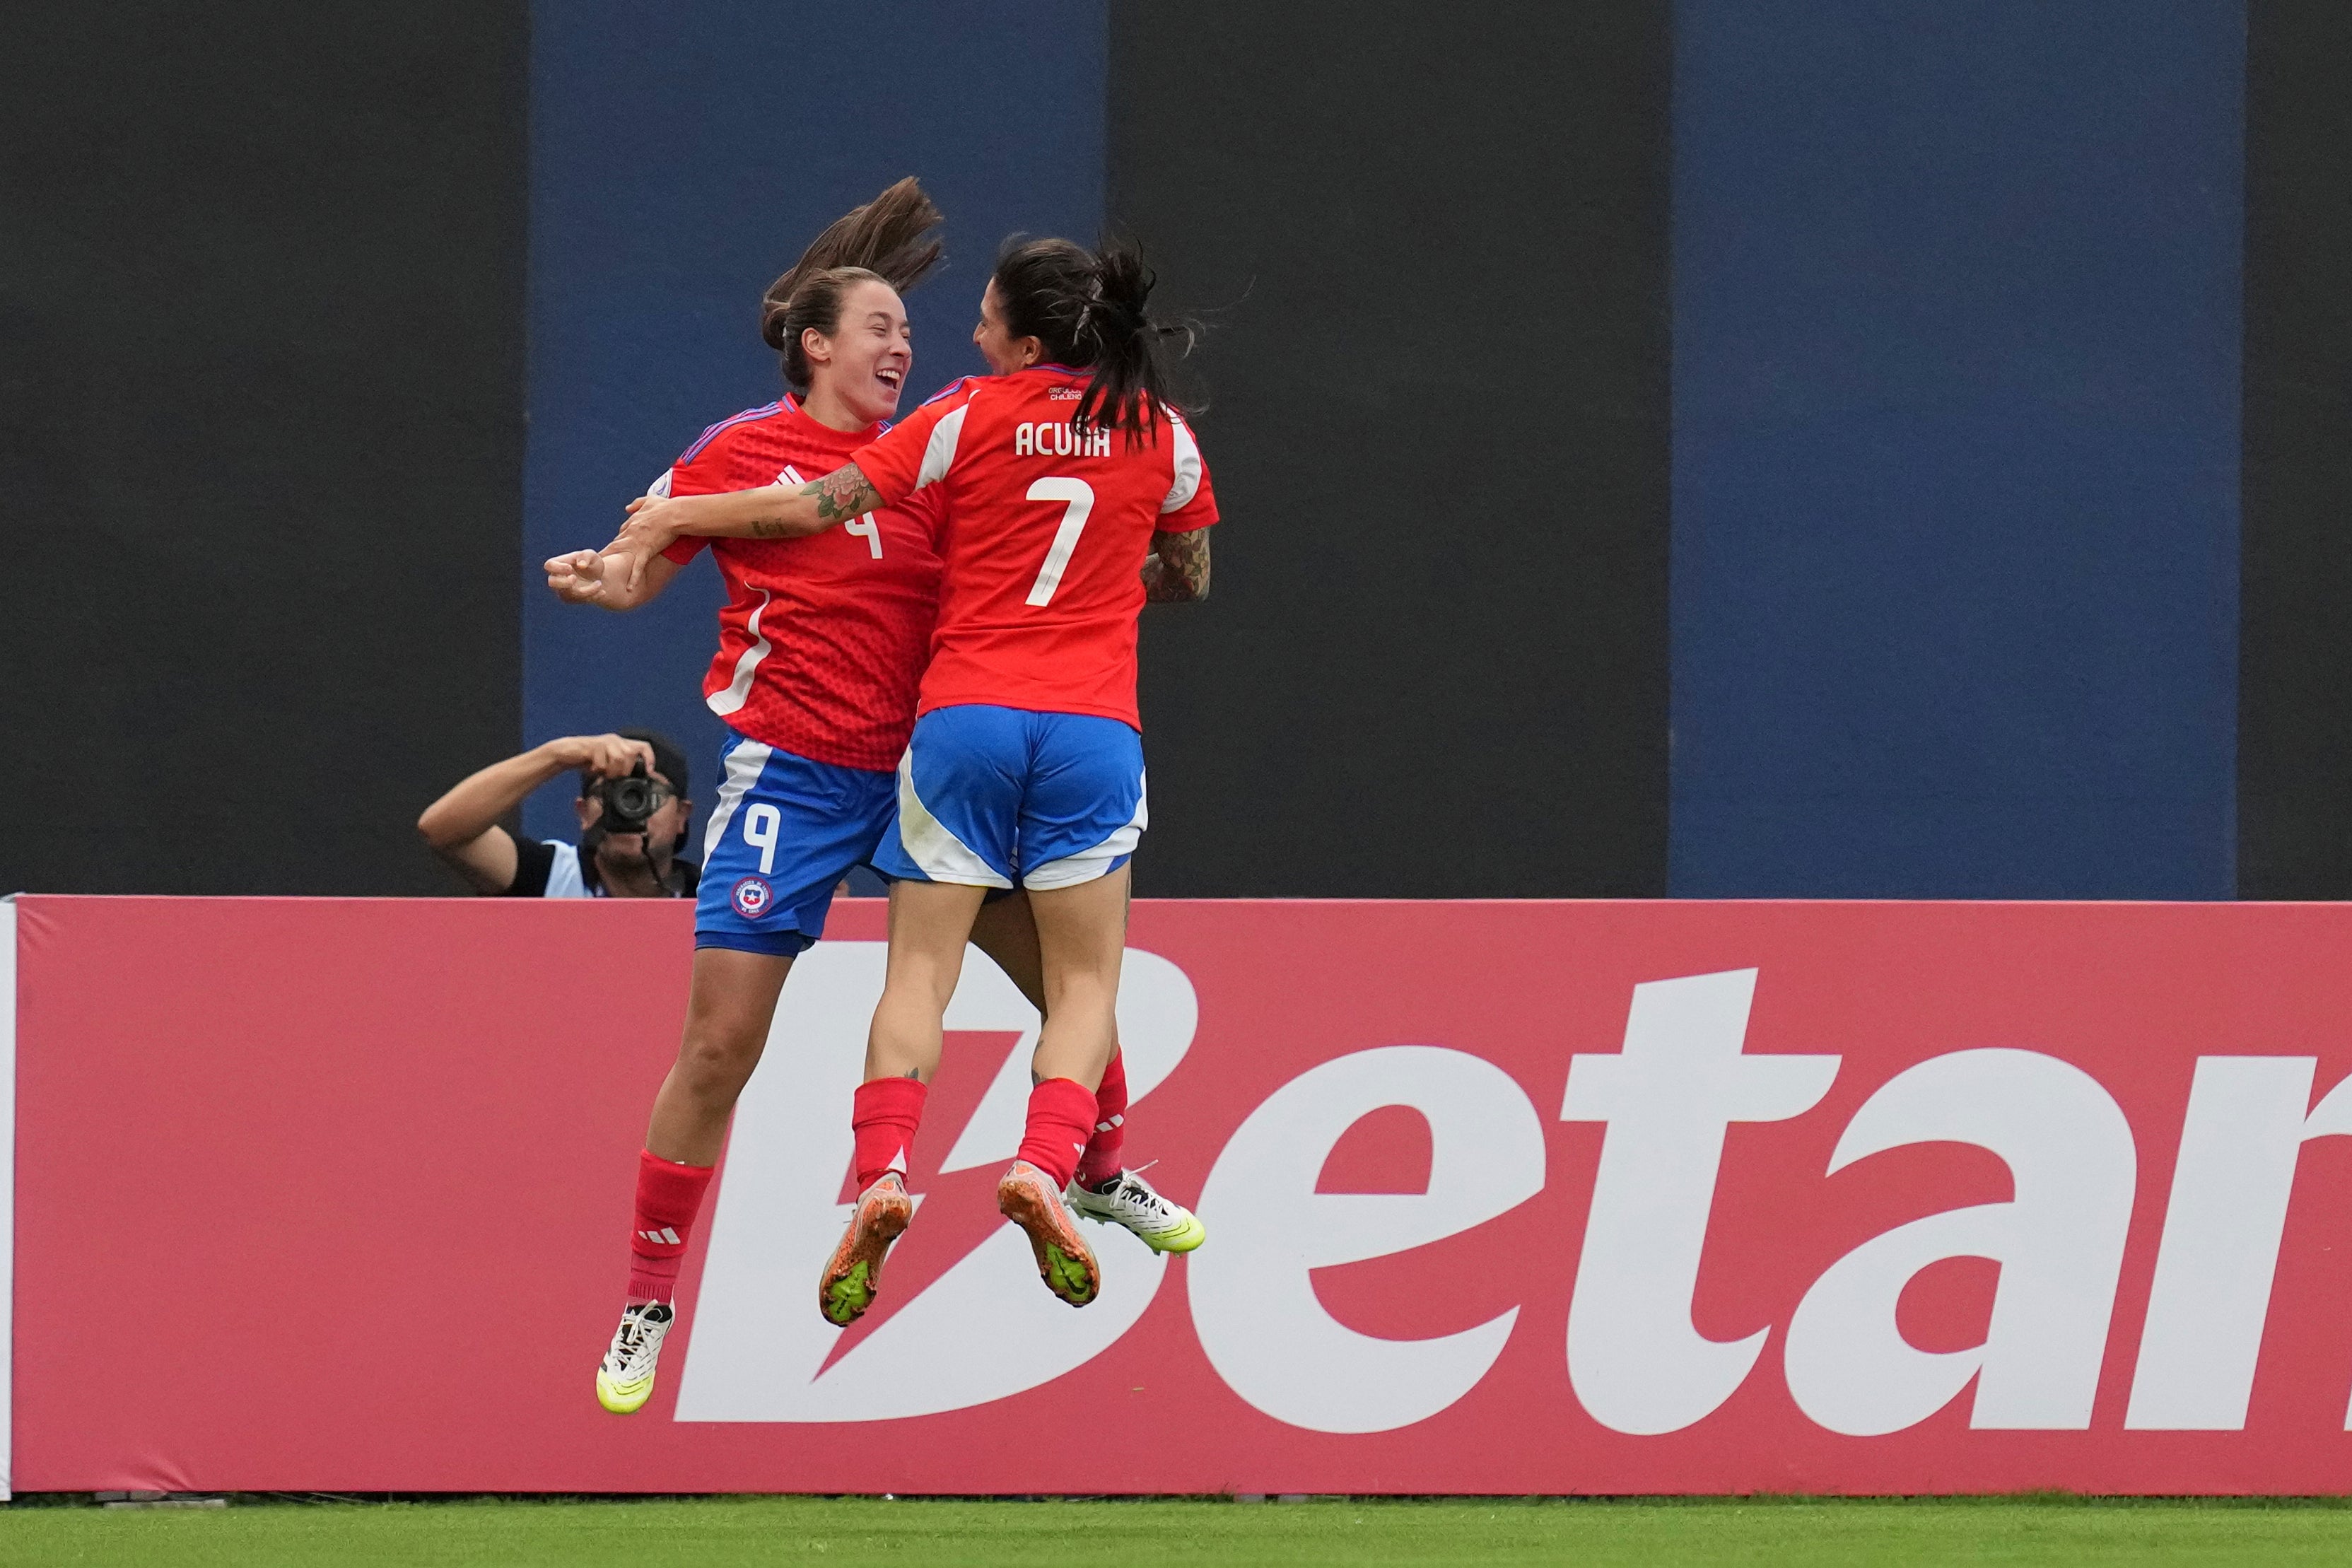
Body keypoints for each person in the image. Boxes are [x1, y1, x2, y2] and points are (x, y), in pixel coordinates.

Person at [546, 185, 1201, 1415]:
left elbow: (1048, 550)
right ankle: (647, 1297)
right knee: (719, 1043)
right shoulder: (738, 448)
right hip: (794, 774)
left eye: (912, 330)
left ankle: (1097, 1169)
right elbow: (648, 551)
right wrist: (613, 572)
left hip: (926, 773)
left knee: (1071, 989)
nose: (905, 347)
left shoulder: (954, 448)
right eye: (881, 327)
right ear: (817, 344)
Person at [417, 731, 696, 899]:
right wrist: (559, 755)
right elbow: (443, 830)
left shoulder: (713, 897)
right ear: (583, 812)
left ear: (682, 816)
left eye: (647, 794)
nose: (629, 807)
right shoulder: (550, 875)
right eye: (611, 792)